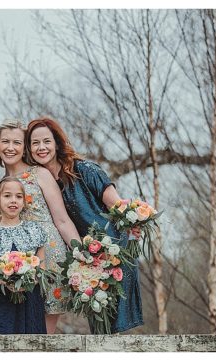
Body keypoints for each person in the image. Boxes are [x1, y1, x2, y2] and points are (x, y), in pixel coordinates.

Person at [26, 116, 143, 333]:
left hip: (114, 251)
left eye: (46, 141)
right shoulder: (40, 181)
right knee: (99, 324)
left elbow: (116, 204)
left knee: (115, 323)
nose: (41, 147)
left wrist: (134, 225)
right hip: (85, 257)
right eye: (35, 143)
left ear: (57, 143)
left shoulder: (85, 169)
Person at [0, 120, 79, 333]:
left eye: (17, 142)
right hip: (15, 262)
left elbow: (62, 219)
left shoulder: (39, 173)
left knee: (42, 334)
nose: (10, 148)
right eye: (5, 142)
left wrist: (81, 252)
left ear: (24, 147)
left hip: (48, 254)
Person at [0, 177, 47, 334]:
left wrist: (26, 280)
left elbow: (42, 268)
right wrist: (4, 280)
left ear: (24, 202)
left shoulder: (34, 230)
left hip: (29, 299)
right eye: (7, 196)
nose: (13, 200)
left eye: (18, 196)